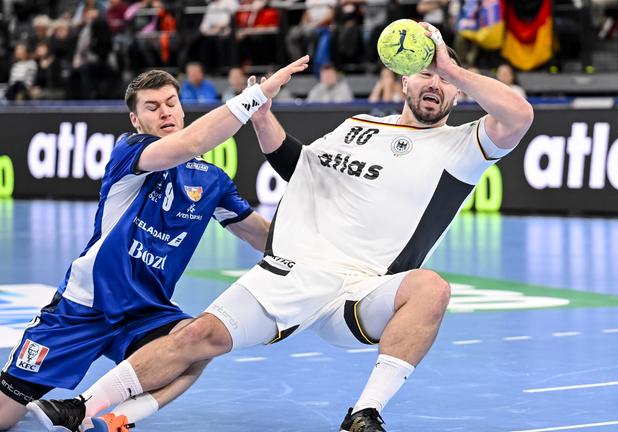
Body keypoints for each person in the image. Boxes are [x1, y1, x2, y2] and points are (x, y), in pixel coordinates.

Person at [29, 22, 532, 432]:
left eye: (444, 82)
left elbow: (519, 115)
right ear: (403, 79)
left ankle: (364, 414)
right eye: (426, 76)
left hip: (363, 289)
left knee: (432, 288)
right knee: (199, 337)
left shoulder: (465, 146)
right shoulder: (358, 124)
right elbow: (299, 165)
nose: (436, 86)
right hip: (295, 269)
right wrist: (263, 116)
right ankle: (84, 408)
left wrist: (452, 66)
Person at [4, 56, 310, 432]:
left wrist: (321, 253)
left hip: (146, 312)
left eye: (171, 103)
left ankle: (107, 417)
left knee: (200, 344)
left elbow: (261, 236)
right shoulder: (129, 152)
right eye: (152, 107)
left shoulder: (211, 181)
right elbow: (193, 141)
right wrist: (255, 95)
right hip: (84, 307)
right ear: (136, 120)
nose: (165, 112)